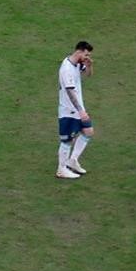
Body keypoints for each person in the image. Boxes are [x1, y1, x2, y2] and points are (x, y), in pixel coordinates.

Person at [57, 41, 94, 179]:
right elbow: (70, 92)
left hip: (78, 109)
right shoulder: (66, 69)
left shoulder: (77, 64)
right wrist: (80, 111)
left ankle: (72, 161)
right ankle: (61, 169)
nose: (87, 57)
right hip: (69, 111)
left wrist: (90, 66)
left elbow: (88, 75)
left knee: (88, 132)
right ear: (79, 51)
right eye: (86, 54)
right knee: (67, 141)